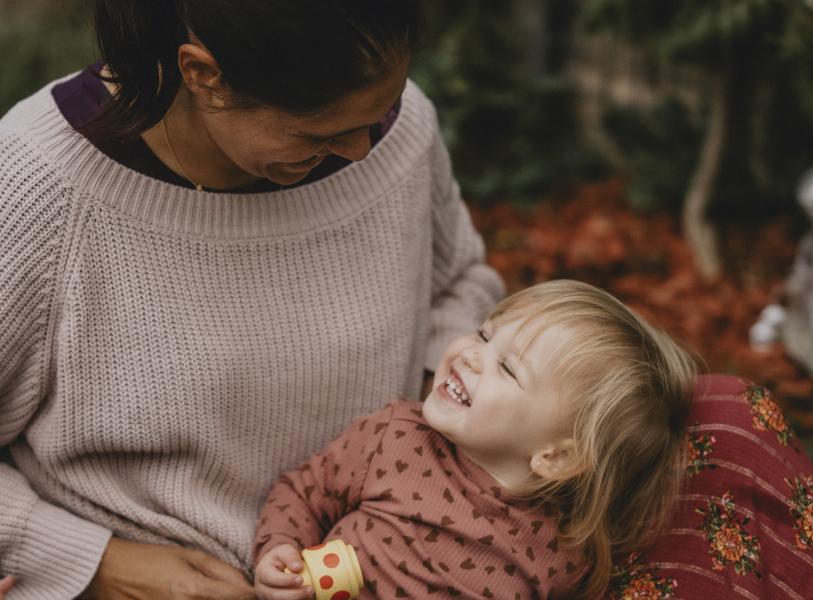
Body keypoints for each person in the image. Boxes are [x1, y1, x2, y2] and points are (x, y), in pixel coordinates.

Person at [0, 1, 504, 598]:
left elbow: (459, 282)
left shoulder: (398, 127)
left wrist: (438, 415)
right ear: (203, 74)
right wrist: (94, 565)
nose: (365, 151)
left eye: (380, 112)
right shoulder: (36, 186)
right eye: (321, 133)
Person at [253, 280, 697, 599]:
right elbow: (303, 491)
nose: (471, 353)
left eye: (507, 368)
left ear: (557, 457)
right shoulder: (395, 437)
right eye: (485, 332)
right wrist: (279, 552)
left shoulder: (562, 550)